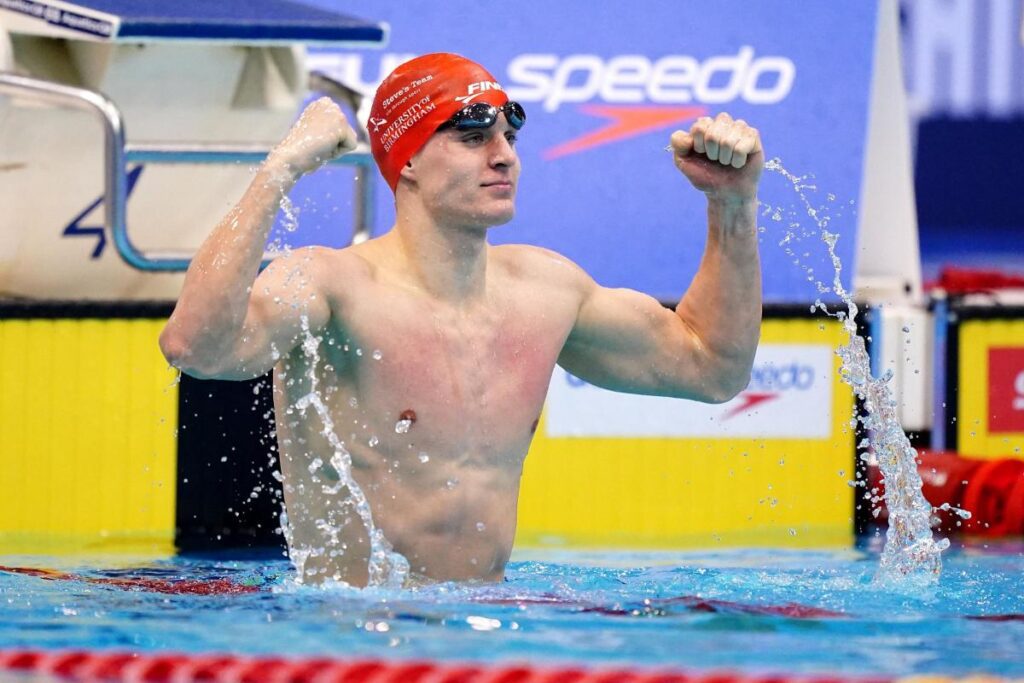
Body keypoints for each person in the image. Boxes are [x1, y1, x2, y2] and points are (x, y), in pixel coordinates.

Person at [159, 53, 763, 587]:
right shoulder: (333, 285)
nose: (504, 157)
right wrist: (279, 170)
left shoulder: (545, 291)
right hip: (348, 636)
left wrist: (731, 204)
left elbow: (712, 368)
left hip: (485, 632)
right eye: (472, 137)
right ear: (409, 158)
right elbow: (197, 347)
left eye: (510, 135)